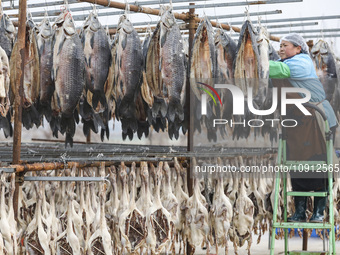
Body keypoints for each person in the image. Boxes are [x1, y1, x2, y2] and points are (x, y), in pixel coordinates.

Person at [269, 33, 338, 223]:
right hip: (298, 122)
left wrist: (256, 61)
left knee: (318, 164)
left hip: (317, 120)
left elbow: (278, 70)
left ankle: (318, 211)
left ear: (298, 48)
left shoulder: (301, 62)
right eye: (280, 46)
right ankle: (299, 211)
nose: (281, 49)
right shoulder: (287, 62)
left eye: (285, 45)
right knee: (297, 166)